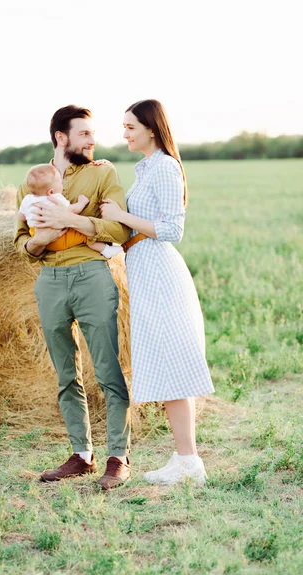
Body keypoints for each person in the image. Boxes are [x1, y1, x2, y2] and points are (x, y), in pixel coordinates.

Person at [14, 105, 131, 490]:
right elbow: (20, 241)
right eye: (84, 134)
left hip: (92, 276)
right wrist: (38, 242)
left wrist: (71, 222)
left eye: (92, 134)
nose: (92, 141)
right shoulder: (32, 183)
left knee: (107, 369)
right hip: (48, 279)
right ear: (61, 138)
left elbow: (119, 227)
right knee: (67, 374)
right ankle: (81, 455)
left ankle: (118, 457)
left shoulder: (103, 173)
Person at [100, 99, 215, 486]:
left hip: (161, 274)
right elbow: (137, 230)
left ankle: (189, 462)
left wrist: (120, 217)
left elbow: (171, 230)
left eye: (130, 126)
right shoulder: (146, 167)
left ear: (151, 128)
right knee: (169, 367)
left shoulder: (165, 166)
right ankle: (186, 460)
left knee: (175, 365)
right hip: (145, 270)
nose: (125, 132)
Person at [19, 163, 122, 258]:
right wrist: (82, 202)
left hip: (37, 235)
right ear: (51, 191)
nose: (62, 184)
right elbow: (71, 211)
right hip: (58, 240)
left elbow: (21, 217)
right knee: (85, 236)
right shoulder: (55, 198)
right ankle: (105, 249)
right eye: (59, 182)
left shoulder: (27, 199)